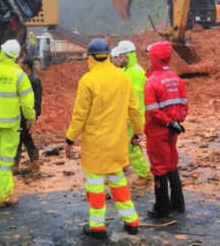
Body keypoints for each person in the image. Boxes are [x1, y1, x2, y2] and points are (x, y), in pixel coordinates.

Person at [65, 38, 143, 239]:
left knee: (95, 185)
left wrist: (70, 139)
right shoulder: (123, 78)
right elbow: (134, 109)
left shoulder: (88, 80)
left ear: (90, 57)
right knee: (118, 181)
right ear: (108, 55)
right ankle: (131, 221)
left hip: (95, 146)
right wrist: (137, 132)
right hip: (116, 143)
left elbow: (80, 115)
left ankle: (97, 226)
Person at [0, 39, 36, 208]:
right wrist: (31, 119)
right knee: (5, 162)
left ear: (2, 53)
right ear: (16, 57)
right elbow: (26, 103)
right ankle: (3, 196)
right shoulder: (20, 76)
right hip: (10, 125)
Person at [144, 41, 188, 218]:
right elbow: (184, 105)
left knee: (159, 167)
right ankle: (178, 204)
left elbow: (152, 110)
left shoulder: (152, 82)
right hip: (173, 130)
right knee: (171, 163)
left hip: (157, 131)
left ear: (153, 58)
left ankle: (162, 208)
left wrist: (168, 122)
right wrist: (176, 122)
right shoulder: (176, 79)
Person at [115, 40, 153, 185]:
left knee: (132, 147)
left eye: (120, 57)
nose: (118, 60)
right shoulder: (129, 71)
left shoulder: (135, 73)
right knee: (127, 145)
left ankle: (145, 174)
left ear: (127, 56)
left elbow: (133, 100)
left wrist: (127, 118)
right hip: (131, 117)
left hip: (134, 118)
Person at [14, 57, 42, 173]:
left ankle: (15, 165)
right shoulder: (25, 79)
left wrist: (33, 116)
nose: (17, 64)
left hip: (26, 115)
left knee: (19, 138)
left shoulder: (33, 80)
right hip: (22, 113)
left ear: (26, 66)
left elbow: (36, 100)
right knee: (26, 138)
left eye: (20, 62)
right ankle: (34, 162)